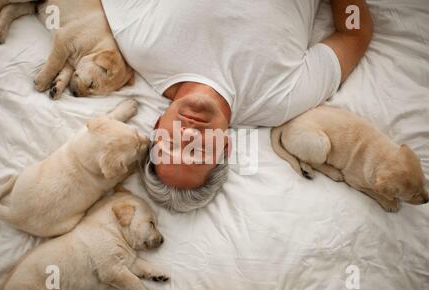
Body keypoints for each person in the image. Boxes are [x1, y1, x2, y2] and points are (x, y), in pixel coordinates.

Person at [102, 0, 374, 212]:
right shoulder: (280, 100)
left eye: (171, 145)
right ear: (225, 146)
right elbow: (354, 34)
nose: (188, 134)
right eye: (197, 152)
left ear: (158, 126)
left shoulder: (141, 46)